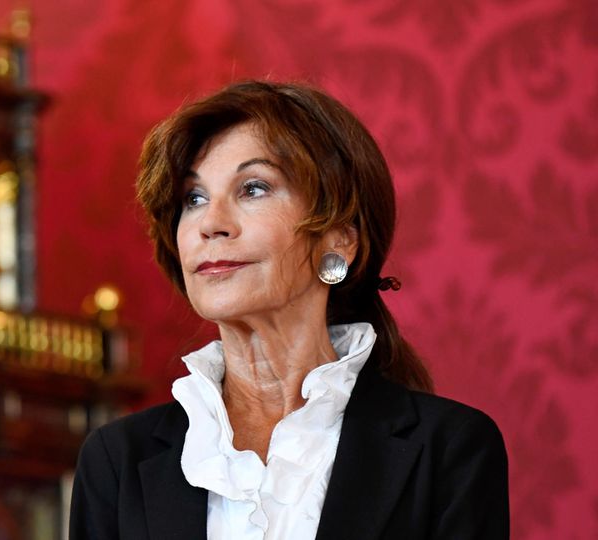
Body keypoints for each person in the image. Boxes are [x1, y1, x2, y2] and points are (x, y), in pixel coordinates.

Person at [68, 81, 509, 539]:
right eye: (193, 198)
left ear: (339, 238)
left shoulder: (449, 450)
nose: (210, 223)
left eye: (253, 189)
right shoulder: (117, 462)